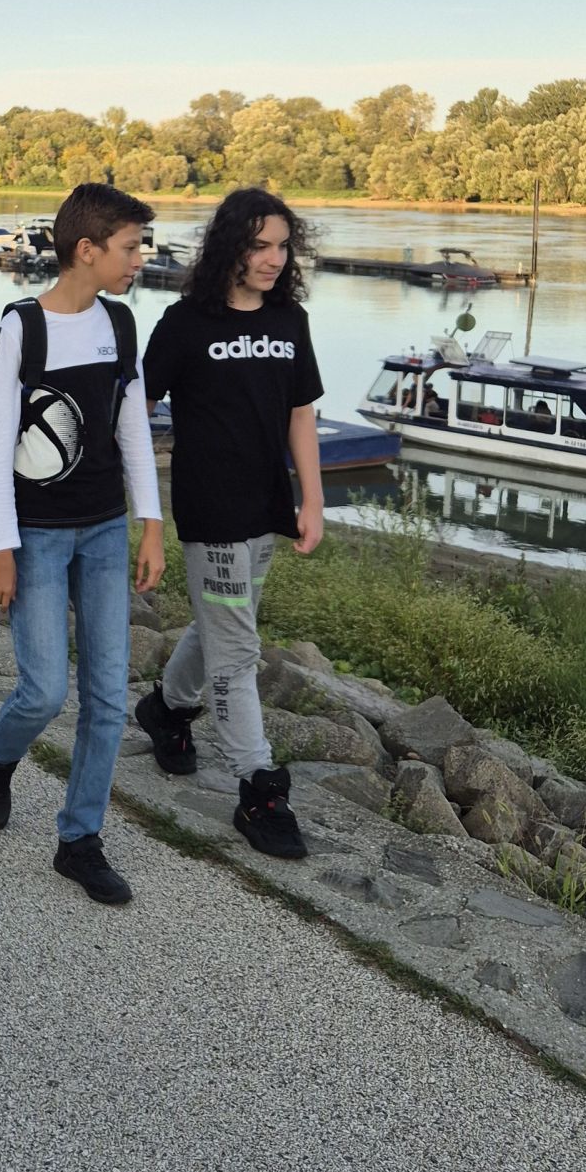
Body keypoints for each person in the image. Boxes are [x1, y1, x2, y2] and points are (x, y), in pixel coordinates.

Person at [0, 183, 165, 907]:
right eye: (129, 248)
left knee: (107, 697)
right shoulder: (23, 325)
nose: (139, 260)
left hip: (106, 530)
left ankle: (79, 840)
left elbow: (132, 428)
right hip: (38, 537)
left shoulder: (121, 324)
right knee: (45, 690)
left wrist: (151, 523)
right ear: (86, 250)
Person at [135, 187, 325, 861]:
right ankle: (258, 788)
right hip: (209, 509)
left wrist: (312, 500)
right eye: (259, 246)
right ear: (229, 248)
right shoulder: (185, 322)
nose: (274, 259)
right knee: (237, 648)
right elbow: (135, 409)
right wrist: (143, 509)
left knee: (224, 622)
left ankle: (166, 709)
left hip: (265, 506)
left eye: (282, 246)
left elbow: (300, 412)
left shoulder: (289, 320)